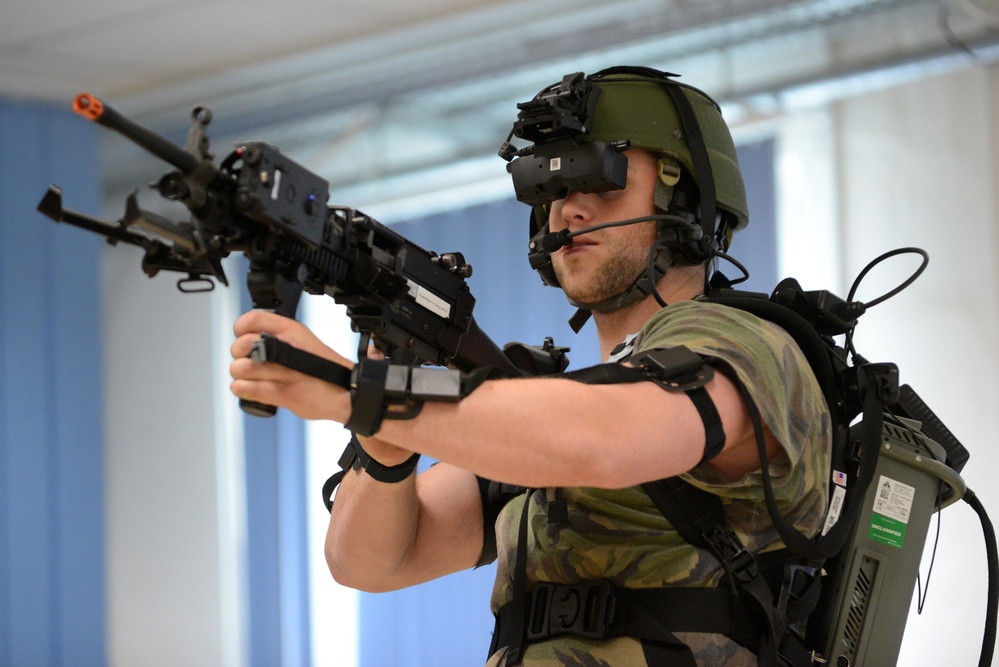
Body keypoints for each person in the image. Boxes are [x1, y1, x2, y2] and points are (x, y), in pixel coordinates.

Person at [229, 66, 832, 666]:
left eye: (603, 178)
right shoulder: (550, 421)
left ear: (688, 197)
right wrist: (385, 441)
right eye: (551, 190)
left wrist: (353, 390)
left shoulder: (743, 348)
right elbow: (369, 561)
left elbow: (604, 436)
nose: (570, 211)